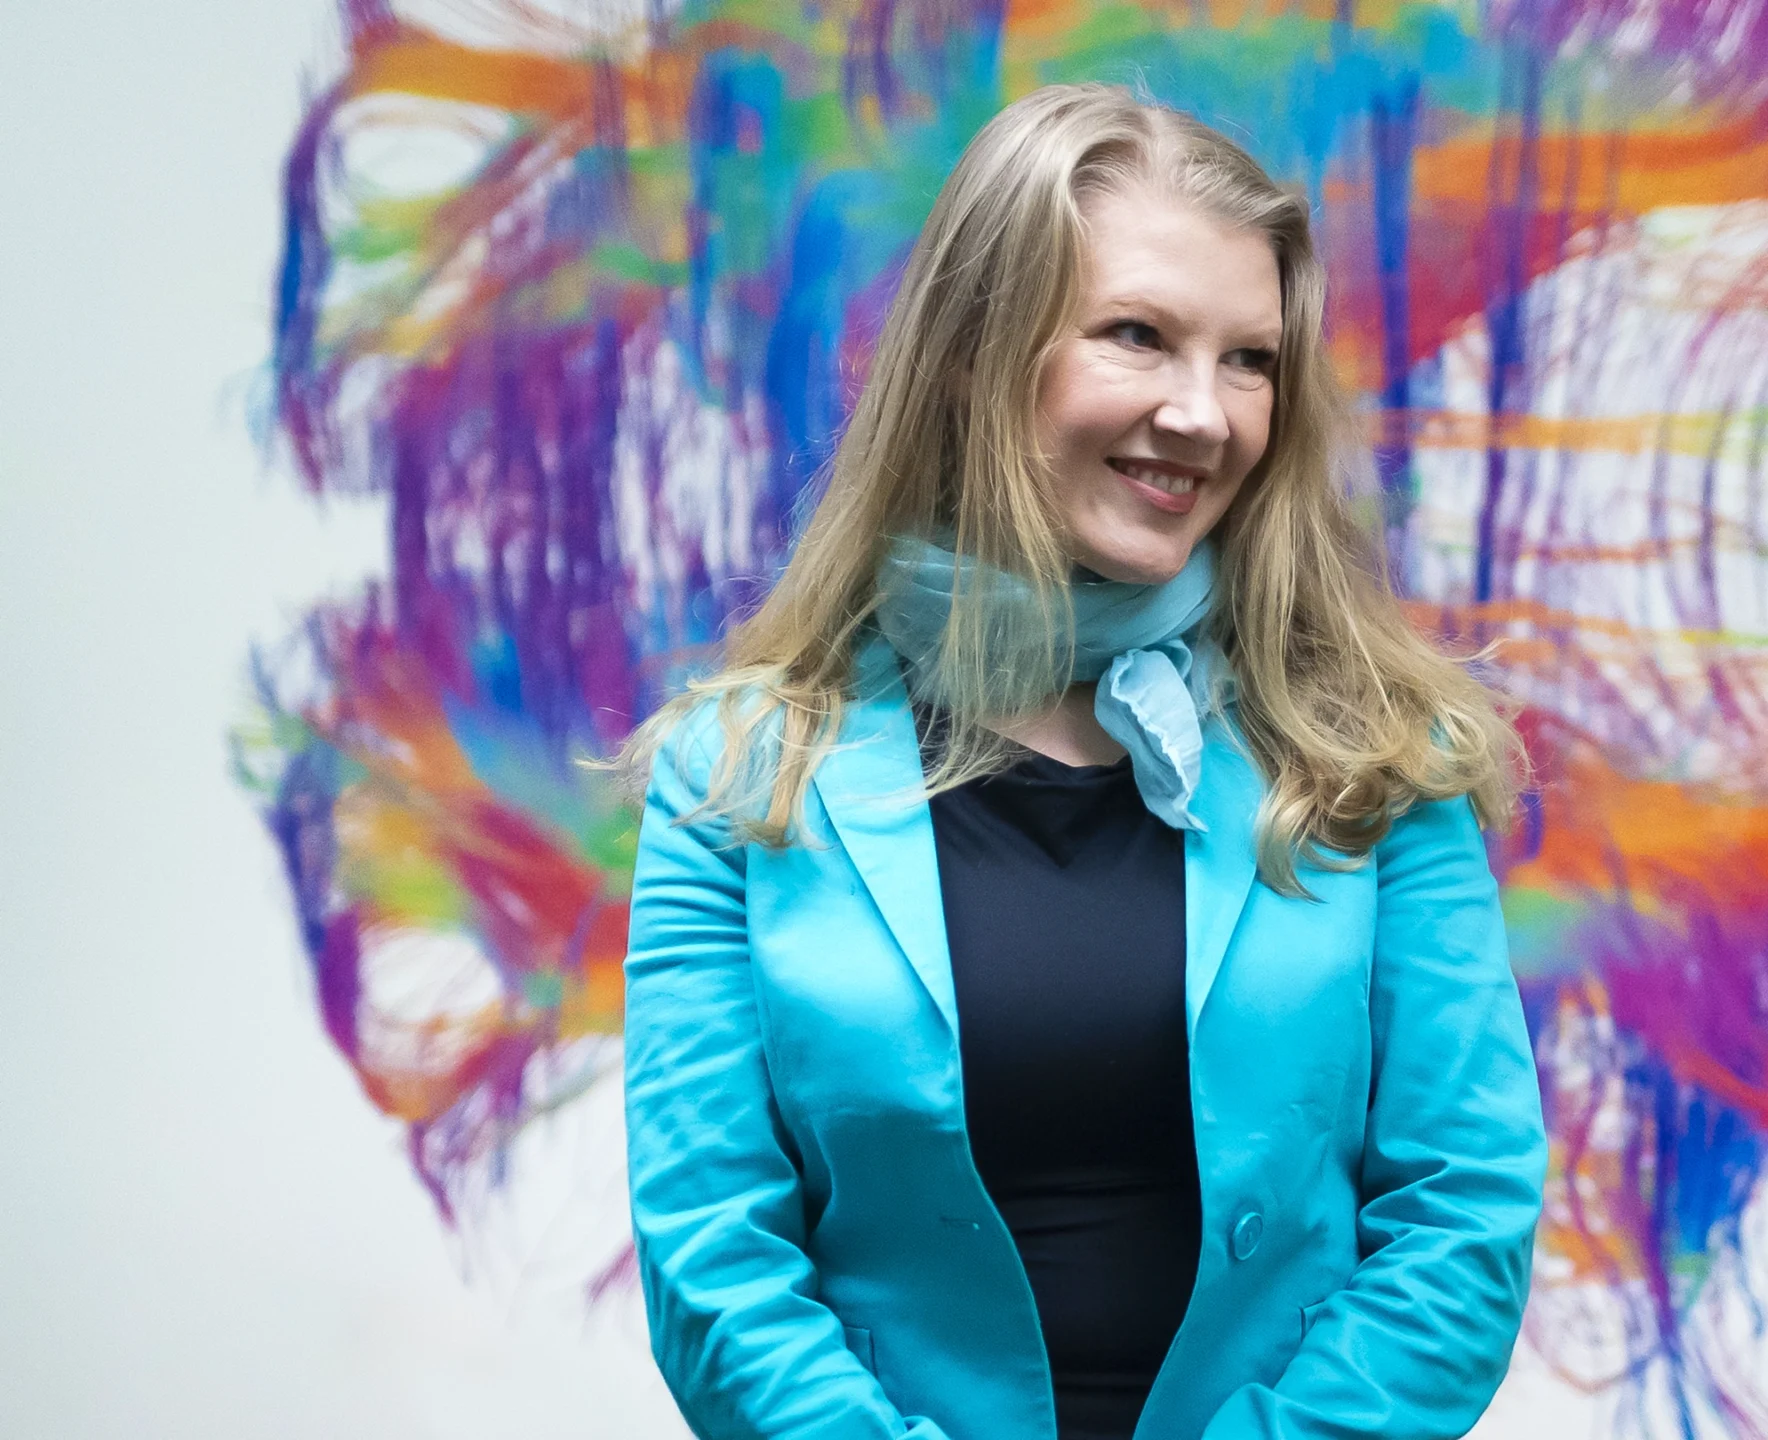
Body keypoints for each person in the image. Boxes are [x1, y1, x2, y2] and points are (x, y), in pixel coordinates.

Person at [615, 82, 1546, 1440]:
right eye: (1139, 337)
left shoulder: (1378, 757)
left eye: (1249, 359)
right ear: (973, 353)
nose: (1205, 414)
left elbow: (1464, 1223)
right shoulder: (736, 772)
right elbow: (713, 1264)